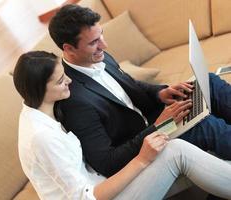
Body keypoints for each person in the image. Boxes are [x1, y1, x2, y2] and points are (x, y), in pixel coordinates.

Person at [13, 51, 231, 200]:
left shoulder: (43, 109)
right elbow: (87, 196)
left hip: (107, 181)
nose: (69, 81)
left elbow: (131, 87)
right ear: (40, 89)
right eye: (60, 81)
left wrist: (160, 94)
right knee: (177, 152)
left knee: (205, 85)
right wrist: (142, 159)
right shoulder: (41, 136)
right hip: (103, 194)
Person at [48, 4, 231, 177]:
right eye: (94, 42)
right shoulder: (74, 99)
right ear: (69, 49)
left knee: (208, 82)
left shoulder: (98, 57)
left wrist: (160, 93)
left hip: (153, 120)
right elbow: (107, 163)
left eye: (101, 35)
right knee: (205, 126)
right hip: (144, 142)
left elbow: (129, 85)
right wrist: (160, 126)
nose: (104, 45)